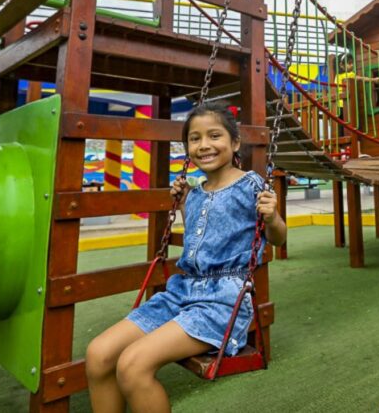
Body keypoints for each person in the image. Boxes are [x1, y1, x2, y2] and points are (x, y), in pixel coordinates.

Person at [85, 102, 287, 413]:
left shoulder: (251, 186)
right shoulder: (195, 193)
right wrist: (182, 205)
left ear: (234, 143)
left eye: (214, 135)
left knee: (132, 365)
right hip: (182, 293)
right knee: (99, 354)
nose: (204, 145)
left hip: (222, 302)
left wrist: (272, 218)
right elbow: (203, 234)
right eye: (194, 138)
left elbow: (278, 237)